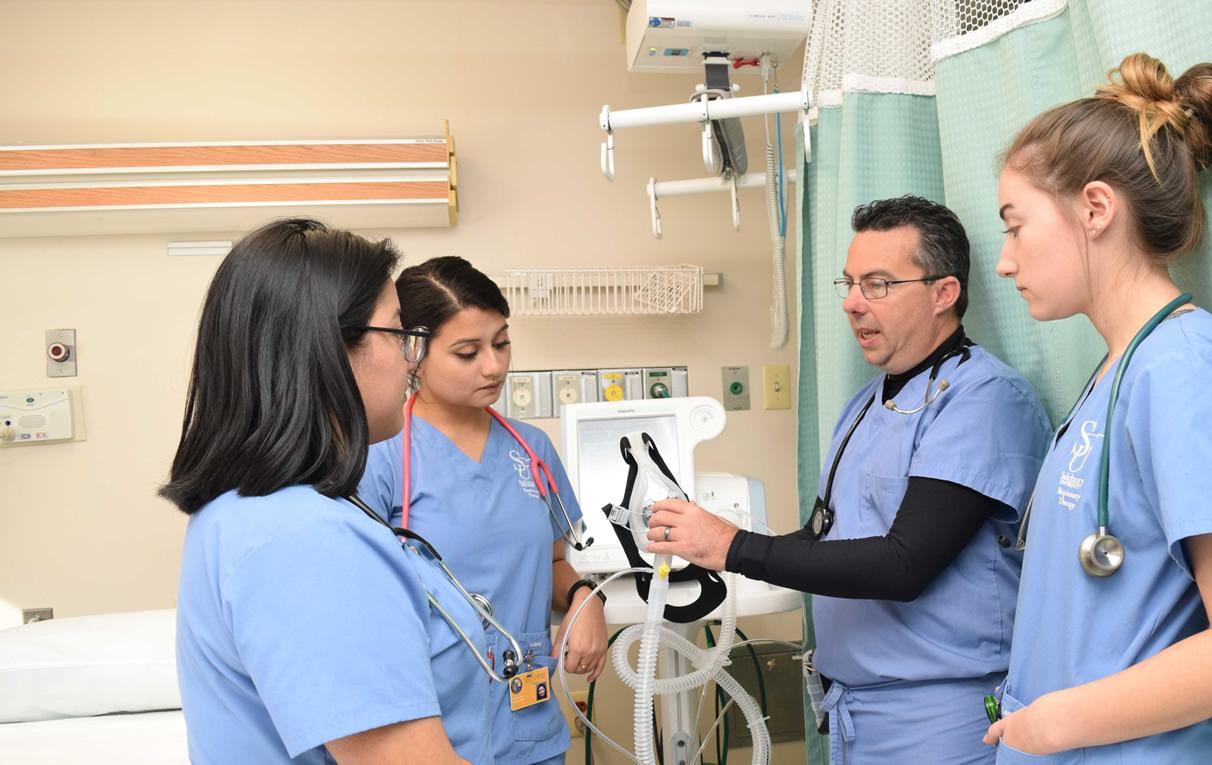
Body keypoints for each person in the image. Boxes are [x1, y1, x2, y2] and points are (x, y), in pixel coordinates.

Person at [645, 195, 1052, 763]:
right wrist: (702, 551)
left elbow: (903, 564)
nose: (854, 303)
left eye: (878, 284)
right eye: (850, 283)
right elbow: (819, 540)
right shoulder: (865, 405)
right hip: (856, 717)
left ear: (943, 293)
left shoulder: (980, 399)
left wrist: (733, 546)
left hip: (943, 722)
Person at [986, 53, 1212, 762]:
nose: (1004, 261)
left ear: (1095, 208)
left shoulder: (1184, 366)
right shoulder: (1123, 368)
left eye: (1016, 225)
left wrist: (1054, 721)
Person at [167, 219, 499, 764]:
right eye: (401, 335)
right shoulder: (309, 541)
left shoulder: (245, 511)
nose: (411, 361)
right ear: (328, 348)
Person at [357, 256, 607, 765]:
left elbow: (553, 565)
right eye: (467, 352)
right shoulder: (380, 456)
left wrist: (586, 600)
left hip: (529, 721)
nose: (493, 366)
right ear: (413, 352)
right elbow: (362, 607)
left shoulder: (531, 449)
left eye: (501, 342)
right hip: (428, 728)